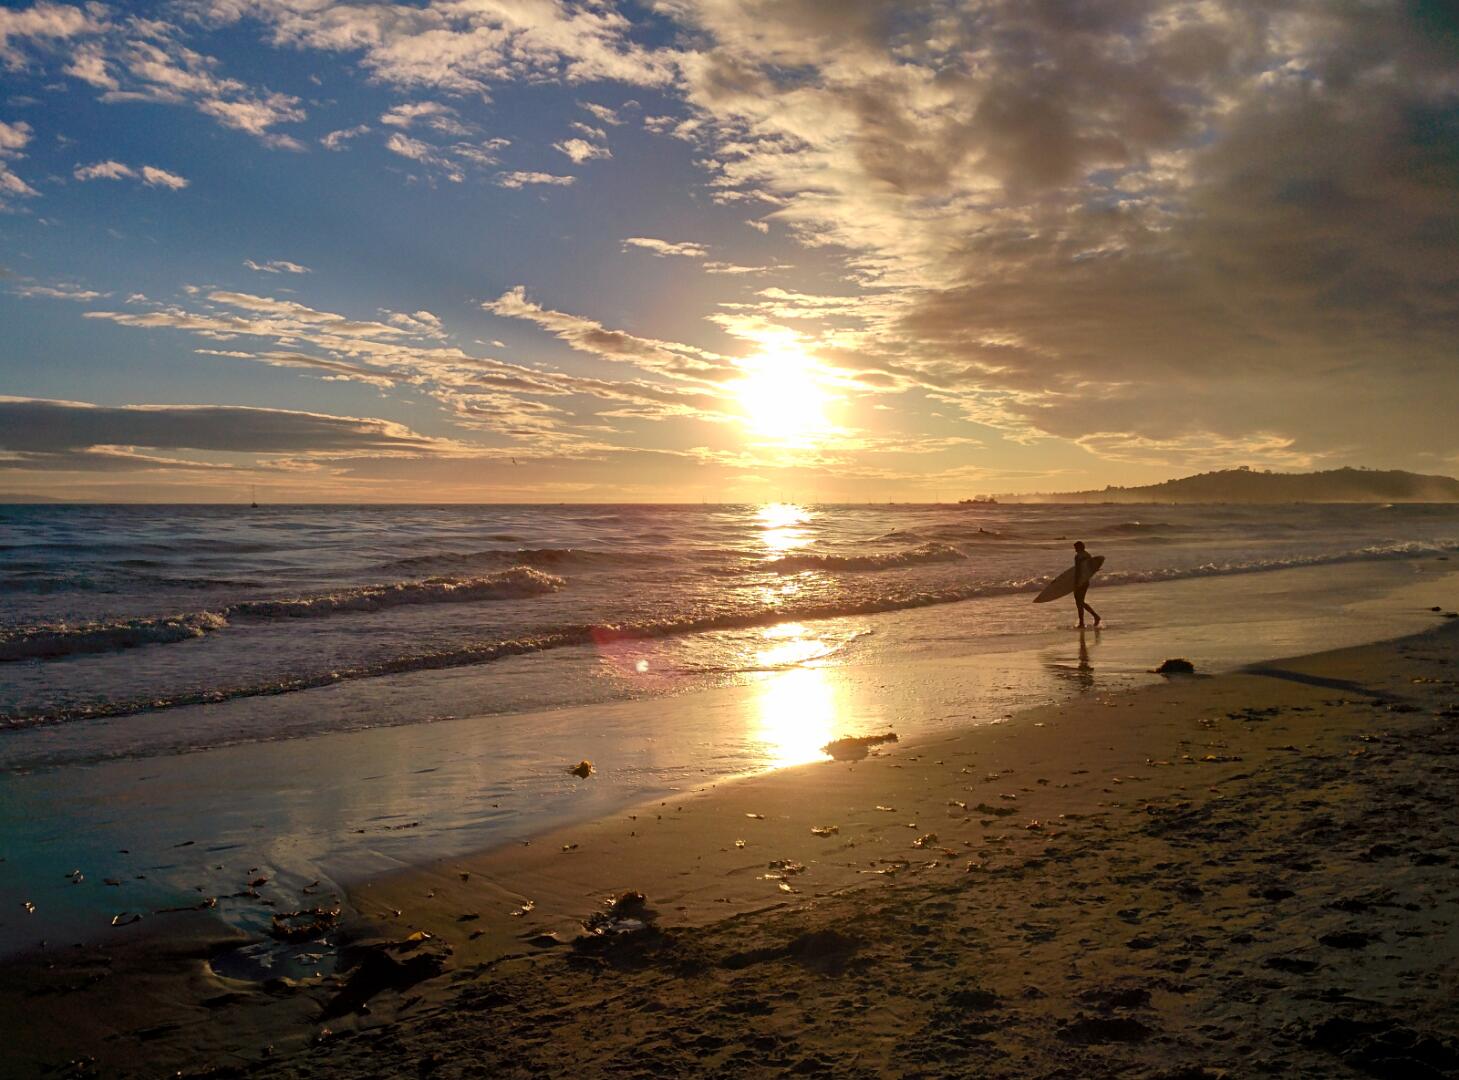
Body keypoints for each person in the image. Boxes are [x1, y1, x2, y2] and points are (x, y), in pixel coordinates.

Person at [1072, 541, 1101, 628]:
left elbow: (1078, 570)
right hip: (1086, 581)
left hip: (1080, 581)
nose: (1075, 550)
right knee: (1079, 602)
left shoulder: (1078, 556)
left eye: (1076, 548)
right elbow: (1091, 568)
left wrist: (1076, 582)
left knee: (1079, 602)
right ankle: (1082, 622)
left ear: (1079, 547)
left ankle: (1095, 616)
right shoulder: (1087, 555)